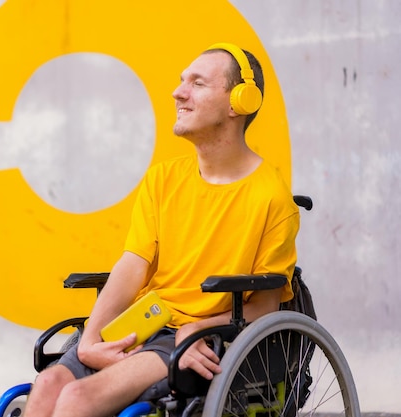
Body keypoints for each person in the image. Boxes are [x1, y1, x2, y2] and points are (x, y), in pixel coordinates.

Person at [23, 43, 300, 417]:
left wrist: (197, 329)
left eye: (197, 83)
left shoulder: (271, 197)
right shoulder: (163, 179)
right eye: (181, 81)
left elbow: (265, 306)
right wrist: (90, 338)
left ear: (240, 101)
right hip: (146, 320)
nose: (178, 92)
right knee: (49, 385)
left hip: (194, 339)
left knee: (76, 399)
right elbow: (132, 265)